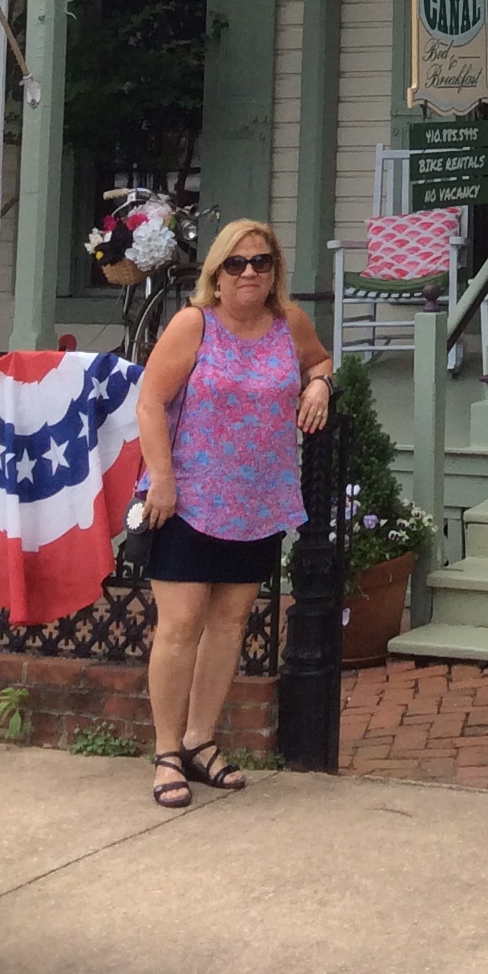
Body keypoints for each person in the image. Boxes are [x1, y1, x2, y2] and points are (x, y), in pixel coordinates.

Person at [135, 218, 333, 807]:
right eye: (236, 263)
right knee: (180, 625)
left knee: (229, 624)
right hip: (188, 499)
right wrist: (161, 480)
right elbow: (150, 401)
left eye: (261, 262)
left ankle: (199, 740)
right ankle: (166, 752)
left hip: (257, 503)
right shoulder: (194, 324)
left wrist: (319, 385)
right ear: (217, 273)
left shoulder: (290, 323)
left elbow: (319, 361)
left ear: (275, 271)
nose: (249, 272)